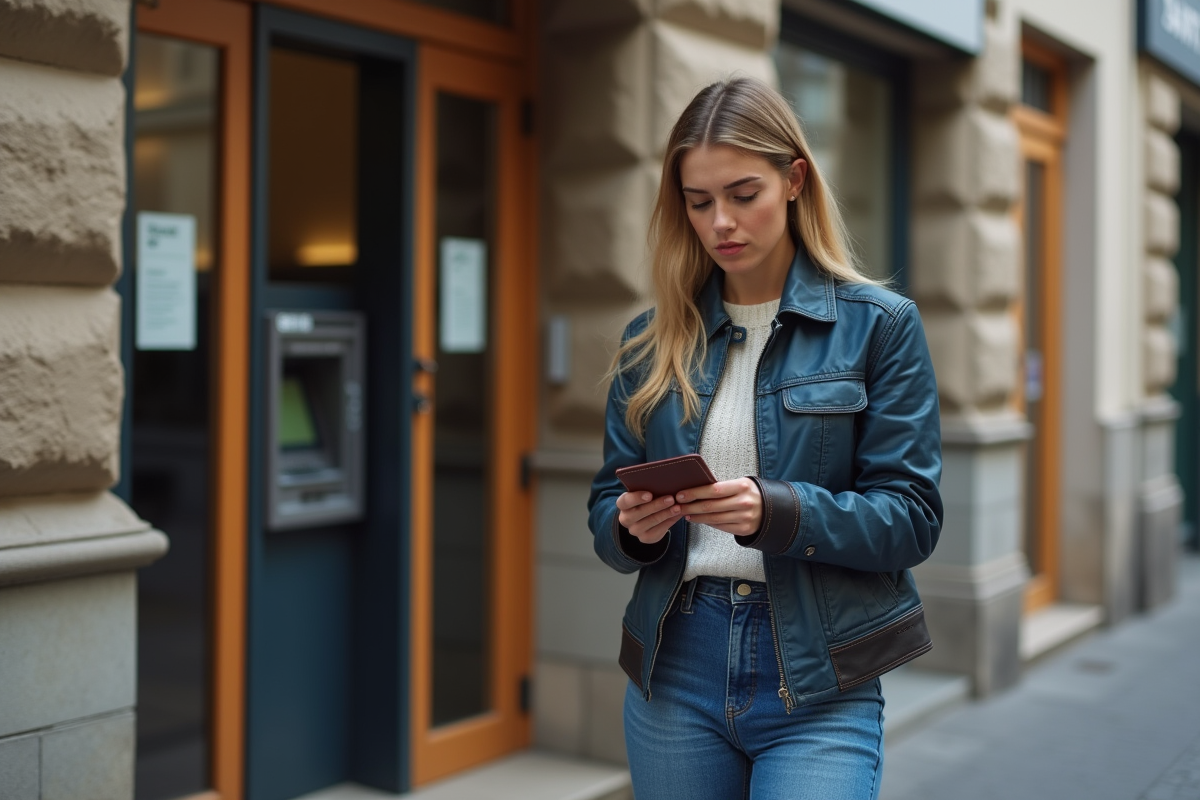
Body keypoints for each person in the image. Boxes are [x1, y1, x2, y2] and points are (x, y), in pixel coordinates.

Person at [586, 77, 944, 800]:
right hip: (676, 665)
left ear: (794, 180)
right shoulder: (648, 343)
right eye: (698, 201)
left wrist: (776, 511)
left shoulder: (879, 326)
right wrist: (634, 528)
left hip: (817, 672)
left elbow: (912, 518)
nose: (721, 221)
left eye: (743, 194)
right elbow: (604, 508)